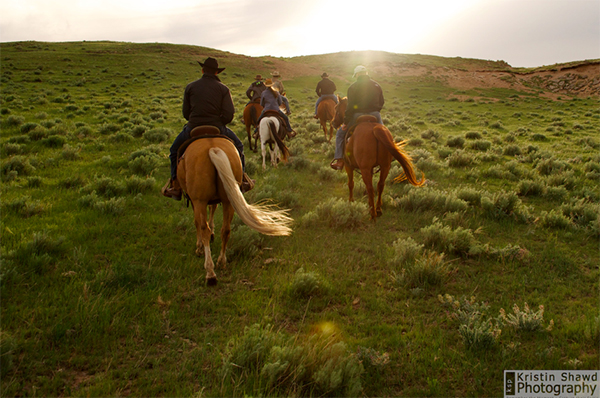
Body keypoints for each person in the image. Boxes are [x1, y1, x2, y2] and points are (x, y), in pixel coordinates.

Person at [162, 57, 251, 200]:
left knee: (174, 151)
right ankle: (242, 181)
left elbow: (185, 113)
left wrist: (195, 119)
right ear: (216, 72)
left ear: (202, 70)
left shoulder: (191, 87)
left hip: (193, 127)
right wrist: (218, 122)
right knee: (239, 146)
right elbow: (229, 114)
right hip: (217, 127)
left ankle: (176, 186)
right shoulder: (223, 89)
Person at [330, 65, 384, 170]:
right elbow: (382, 102)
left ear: (358, 74)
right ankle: (391, 153)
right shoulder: (377, 85)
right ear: (366, 73)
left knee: (340, 134)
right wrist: (375, 111)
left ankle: (339, 160)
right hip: (375, 114)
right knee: (385, 133)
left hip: (358, 115)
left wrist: (345, 122)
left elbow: (350, 107)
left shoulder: (353, 87)